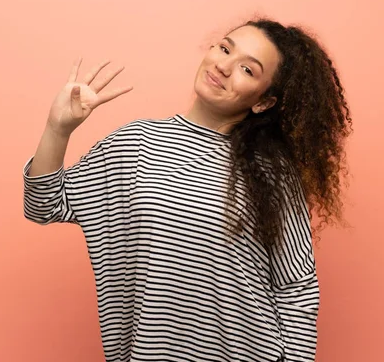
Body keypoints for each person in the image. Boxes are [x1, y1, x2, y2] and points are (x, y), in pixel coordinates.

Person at [22, 18, 352, 362]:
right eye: (224, 48)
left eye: (247, 70)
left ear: (263, 102)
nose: (223, 66)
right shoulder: (135, 144)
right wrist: (57, 129)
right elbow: (43, 205)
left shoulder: (272, 173)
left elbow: (296, 287)